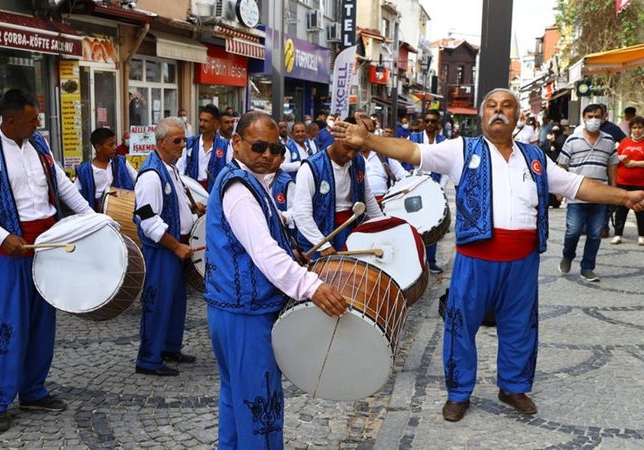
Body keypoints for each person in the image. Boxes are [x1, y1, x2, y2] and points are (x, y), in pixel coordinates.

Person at [331, 88, 644, 423]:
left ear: (517, 116)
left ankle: (513, 386)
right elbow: (412, 151)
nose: (498, 111)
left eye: (506, 106)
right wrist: (369, 141)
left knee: (520, 326)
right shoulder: (460, 150)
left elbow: (575, 185)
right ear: (482, 115)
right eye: (491, 106)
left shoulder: (535, 158)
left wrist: (623, 198)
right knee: (460, 326)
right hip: (475, 259)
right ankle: (459, 392)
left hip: (522, 261)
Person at [0, 89, 102, 432]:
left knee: (42, 323)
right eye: (32, 119)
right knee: (7, 325)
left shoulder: (39, 144)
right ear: (10, 121)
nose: (38, 123)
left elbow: (63, 188)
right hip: (10, 250)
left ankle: (33, 390)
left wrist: (94, 219)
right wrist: (2, 236)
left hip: (46, 246)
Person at [204, 111, 348, 449]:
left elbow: (269, 231)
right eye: (259, 147)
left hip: (234, 311)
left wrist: (292, 247)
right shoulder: (239, 189)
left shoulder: (249, 181)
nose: (268, 155)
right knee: (260, 406)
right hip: (245, 315)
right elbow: (264, 252)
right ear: (236, 143)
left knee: (236, 398)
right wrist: (312, 286)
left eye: (275, 148)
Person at [134, 116, 199, 377]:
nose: (183, 145)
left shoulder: (169, 167)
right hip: (163, 250)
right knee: (158, 303)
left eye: (184, 139)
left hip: (174, 247)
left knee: (175, 302)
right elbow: (148, 220)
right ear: (160, 142)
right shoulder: (151, 175)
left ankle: (170, 347)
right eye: (177, 140)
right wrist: (176, 247)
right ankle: (148, 359)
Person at [293, 117, 384, 259]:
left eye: (356, 150)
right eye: (347, 148)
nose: (351, 155)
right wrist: (322, 244)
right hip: (318, 236)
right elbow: (301, 213)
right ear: (336, 137)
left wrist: (383, 225)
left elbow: (367, 197)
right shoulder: (311, 168)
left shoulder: (358, 161)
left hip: (350, 230)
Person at [557, 104, 619, 282]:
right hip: (576, 193)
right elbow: (562, 165)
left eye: (597, 116)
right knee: (573, 231)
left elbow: (612, 166)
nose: (593, 120)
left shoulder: (608, 140)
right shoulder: (572, 140)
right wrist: (560, 188)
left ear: (603, 117)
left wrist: (613, 191)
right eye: (590, 116)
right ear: (583, 118)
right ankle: (568, 255)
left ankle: (587, 268)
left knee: (595, 233)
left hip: (600, 195)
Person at [410, 109, 448, 274]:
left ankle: (430, 261)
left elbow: (446, 167)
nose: (430, 124)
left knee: (432, 223)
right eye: (427, 121)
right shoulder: (414, 138)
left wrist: (440, 187)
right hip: (415, 186)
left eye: (433, 121)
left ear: (437, 123)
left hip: (434, 186)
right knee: (413, 224)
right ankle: (414, 261)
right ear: (423, 122)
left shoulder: (443, 141)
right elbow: (405, 161)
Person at [75, 128, 137, 211]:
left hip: (123, 211)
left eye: (115, 143)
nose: (115, 147)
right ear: (98, 147)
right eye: (111, 145)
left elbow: (138, 181)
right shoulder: (84, 170)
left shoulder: (122, 162)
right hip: (97, 217)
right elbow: (74, 194)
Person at [177, 104, 230, 191]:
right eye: (201, 120)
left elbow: (229, 173)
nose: (202, 124)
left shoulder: (225, 146)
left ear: (215, 123)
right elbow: (180, 170)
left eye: (206, 121)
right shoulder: (190, 143)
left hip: (215, 192)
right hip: (193, 191)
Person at [611, 116, 644, 245]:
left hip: (640, 184)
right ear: (630, 129)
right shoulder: (624, 142)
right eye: (634, 128)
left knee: (640, 210)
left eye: (640, 128)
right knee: (621, 210)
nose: (637, 131)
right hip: (622, 182)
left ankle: (642, 235)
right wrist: (620, 158)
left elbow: (633, 163)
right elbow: (614, 158)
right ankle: (618, 234)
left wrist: (634, 163)